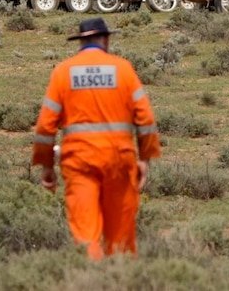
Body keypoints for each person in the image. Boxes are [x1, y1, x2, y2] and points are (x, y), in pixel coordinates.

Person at [31, 17, 161, 260]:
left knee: (85, 233)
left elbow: (45, 126)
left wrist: (46, 165)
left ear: (81, 42)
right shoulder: (123, 69)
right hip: (119, 160)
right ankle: (120, 276)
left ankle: (91, 276)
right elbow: (145, 119)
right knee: (121, 235)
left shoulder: (63, 72)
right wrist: (145, 159)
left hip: (79, 162)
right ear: (106, 40)